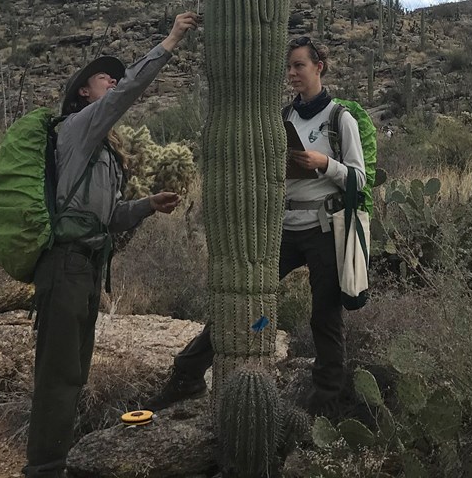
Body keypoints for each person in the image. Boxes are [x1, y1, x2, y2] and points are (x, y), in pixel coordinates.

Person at [146, 35, 366, 415]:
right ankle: (188, 375)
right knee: (240, 299)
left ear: (319, 67)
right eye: (289, 67)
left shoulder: (340, 119)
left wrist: (323, 164)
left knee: (324, 316)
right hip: (282, 226)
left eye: (299, 65)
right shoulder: (283, 117)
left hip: (324, 229)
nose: (292, 73)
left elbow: (360, 179)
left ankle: (325, 403)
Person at [25, 11, 198, 478]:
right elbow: (129, 94)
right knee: (59, 374)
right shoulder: (78, 127)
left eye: (115, 78)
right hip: (64, 265)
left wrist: (146, 205)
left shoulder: (103, 152)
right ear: (85, 90)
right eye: (106, 78)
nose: (115, 83)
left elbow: (108, 216)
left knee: (74, 372)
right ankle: (44, 467)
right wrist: (171, 40)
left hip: (86, 269)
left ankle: (55, 458)